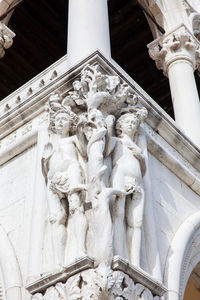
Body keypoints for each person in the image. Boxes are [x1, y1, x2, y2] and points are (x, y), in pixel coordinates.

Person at [42, 107, 87, 267]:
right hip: (53, 180)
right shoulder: (50, 144)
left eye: (64, 119)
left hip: (71, 172)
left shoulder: (73, 139)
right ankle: (58, 262)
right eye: (58, 119)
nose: (60, 121)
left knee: (76, 209)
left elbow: (84, 152)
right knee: (58, 218)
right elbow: (45, 168)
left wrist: (82, 132)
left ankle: (81, 249)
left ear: (71, 124)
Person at [111, 108, 147, 266]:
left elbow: (143, 170)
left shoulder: (138, 147)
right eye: (127, 122)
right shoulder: (117, 141)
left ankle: (136, 261)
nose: (131, 125)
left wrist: (140, 155)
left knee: (137, 222)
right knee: (119, 214)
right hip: (121, 177)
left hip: (137, 183)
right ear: (120, 126)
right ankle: (120, 253)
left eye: (134, 122)